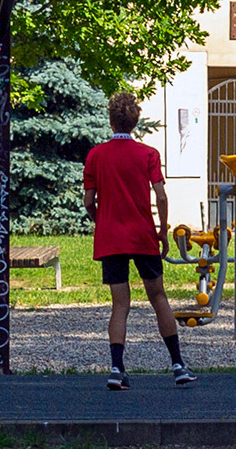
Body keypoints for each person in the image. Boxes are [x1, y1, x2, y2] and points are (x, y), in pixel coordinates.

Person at [83, 91, 197, 390]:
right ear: (135, 121)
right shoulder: (148, 154)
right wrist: (162, 230)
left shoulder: (96, 155)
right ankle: (178, 364)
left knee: (120, 304)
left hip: (111, 237)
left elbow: (88, 200)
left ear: (111, 121)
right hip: (142, 233)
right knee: (158, 297)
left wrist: (100, 221)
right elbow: (160, 194)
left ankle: (117, 368)